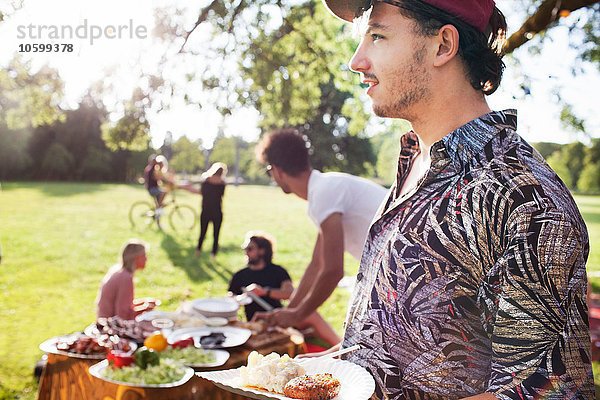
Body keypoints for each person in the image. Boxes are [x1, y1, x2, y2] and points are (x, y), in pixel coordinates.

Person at [317, 0, 594, 398]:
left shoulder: (521, 199)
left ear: (443, 45)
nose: (356, 60)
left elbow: (544, 393)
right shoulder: (415, 163)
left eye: (378, 36)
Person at [254, 129, 387, 330]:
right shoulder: (325, 187)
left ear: (277, 170)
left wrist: (297, 315)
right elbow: (316, 265)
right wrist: (287, 313)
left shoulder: (324, 193)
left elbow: (333, 271)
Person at [229, 231, 340, 345]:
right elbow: (230, 299)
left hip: (279, 317)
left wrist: (265, 292)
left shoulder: (277, 271)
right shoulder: (239, 276)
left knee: (311, 314)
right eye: (245, 248)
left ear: (262, 251)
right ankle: (307, 334)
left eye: (250, 249)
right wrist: (242, 297)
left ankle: (339, 346)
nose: (246, 252)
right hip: (255, 322)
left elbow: (289, 293)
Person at [96, 239, 157, 320]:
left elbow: (123, 305)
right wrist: (146, 309)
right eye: (144, 255)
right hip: (110, 326)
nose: (146, 259)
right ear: (136, 257)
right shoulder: (125, 278)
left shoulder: (118, 270)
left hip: (104, 320)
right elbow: (122, 315)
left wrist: (142, 303)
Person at [194, 162, 227, 257]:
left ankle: (198, 251)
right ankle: (213, 254)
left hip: (206, 211)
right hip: (217, 211)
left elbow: (201, 192)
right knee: (216, 235)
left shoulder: (206, 181)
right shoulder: (222, 183)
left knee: (202, 233)